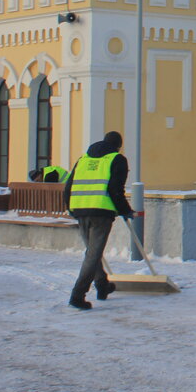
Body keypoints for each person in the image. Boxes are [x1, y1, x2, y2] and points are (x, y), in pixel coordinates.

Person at [63, 131, 134, 310]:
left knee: (92, 253)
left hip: (79, 209)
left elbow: (68, 186)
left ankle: (102, 285)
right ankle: (77, 295)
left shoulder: (83, 159)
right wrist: (125, 210)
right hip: (101, 212)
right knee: (92, 255)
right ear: (118, 146)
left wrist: (70, 207)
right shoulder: (117, 159)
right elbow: (115, 189)